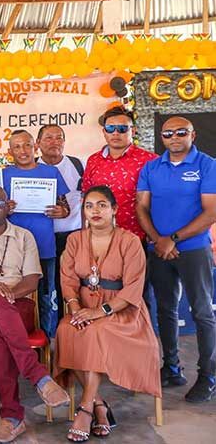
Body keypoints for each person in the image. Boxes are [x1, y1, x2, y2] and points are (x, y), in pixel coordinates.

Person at [0, 185, 70, 443]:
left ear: (9, 206)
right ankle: (39, 377)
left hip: (19, 303)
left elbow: (31, 281)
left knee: (0, 330)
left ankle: (12, 418)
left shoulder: (24, 236)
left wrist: (7, 294)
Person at [55, 186, 161, 442]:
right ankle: (99, 405)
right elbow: (67, 279)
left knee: (95, 331)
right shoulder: (74, 240)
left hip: (121, 311)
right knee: (66, 329)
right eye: (89, 206)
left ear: (114, 209)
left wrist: (99, 311)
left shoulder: (130, 241)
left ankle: (86, 409)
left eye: (102, 205)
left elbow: (134, 288)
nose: (95, 211)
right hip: (82, 306)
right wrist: (76, 308)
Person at [137, 116, 216, 402]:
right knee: (166, 309)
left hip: (193, 249)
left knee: (202, 311)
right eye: (168, 133)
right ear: (162, 137)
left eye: (181, 132)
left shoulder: (207, 165)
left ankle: (208, 375)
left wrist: (174, 238)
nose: (174, 137)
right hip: (159, 249)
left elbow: (210, 212)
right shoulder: (151, 167)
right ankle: (171, 367)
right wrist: (159, 240)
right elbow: (141, 206)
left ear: (192, 135)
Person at [2, 130, 70, 338]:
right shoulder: (3, 175)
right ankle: (16, 340)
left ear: (35, 146)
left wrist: (62, 212)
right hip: (13, 247)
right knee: (13, 296)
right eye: (17, 146)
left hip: (44, 246)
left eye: (27, 145)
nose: (23, 151)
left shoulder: (51, 172)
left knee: (45, 296)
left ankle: (46, 343)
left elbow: (65, 207)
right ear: (10, 150)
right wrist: (5, 209)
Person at [82, 106, 157, 241]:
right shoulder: (93, 160)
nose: (115, 133)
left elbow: (161, 199)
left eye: (122, 129)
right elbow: (86, 197)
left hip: (137, 237)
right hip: (99, 237)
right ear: (104, 132)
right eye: (110, 128)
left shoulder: (149, 161)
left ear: (133, 131)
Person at [37, 124, 85, 322]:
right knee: (44, 289)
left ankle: (70, 332)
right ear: (38, 143)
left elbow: (87, 199)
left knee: (69, 286)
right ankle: (46, 337)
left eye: (59, 137)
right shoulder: (30, 167)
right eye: (48, 138)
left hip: (71, 236)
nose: (54, 142)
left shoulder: (78, 165)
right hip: (40, 237)